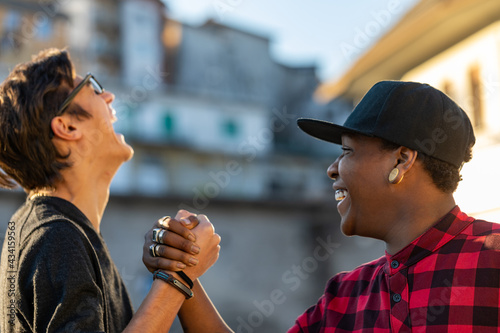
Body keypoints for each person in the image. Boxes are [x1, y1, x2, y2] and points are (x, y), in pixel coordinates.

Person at [149, 80, 500, 331]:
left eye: (347, 151)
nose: (332, 168)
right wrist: (181, 272)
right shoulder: (345, 296)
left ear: (403, 160)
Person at [0, 48, 233, 332]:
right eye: (92, 88)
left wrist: (176, 267)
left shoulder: (48, 228)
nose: (108, 96)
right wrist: (179, 277)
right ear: (67, 126)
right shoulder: (57, 236)